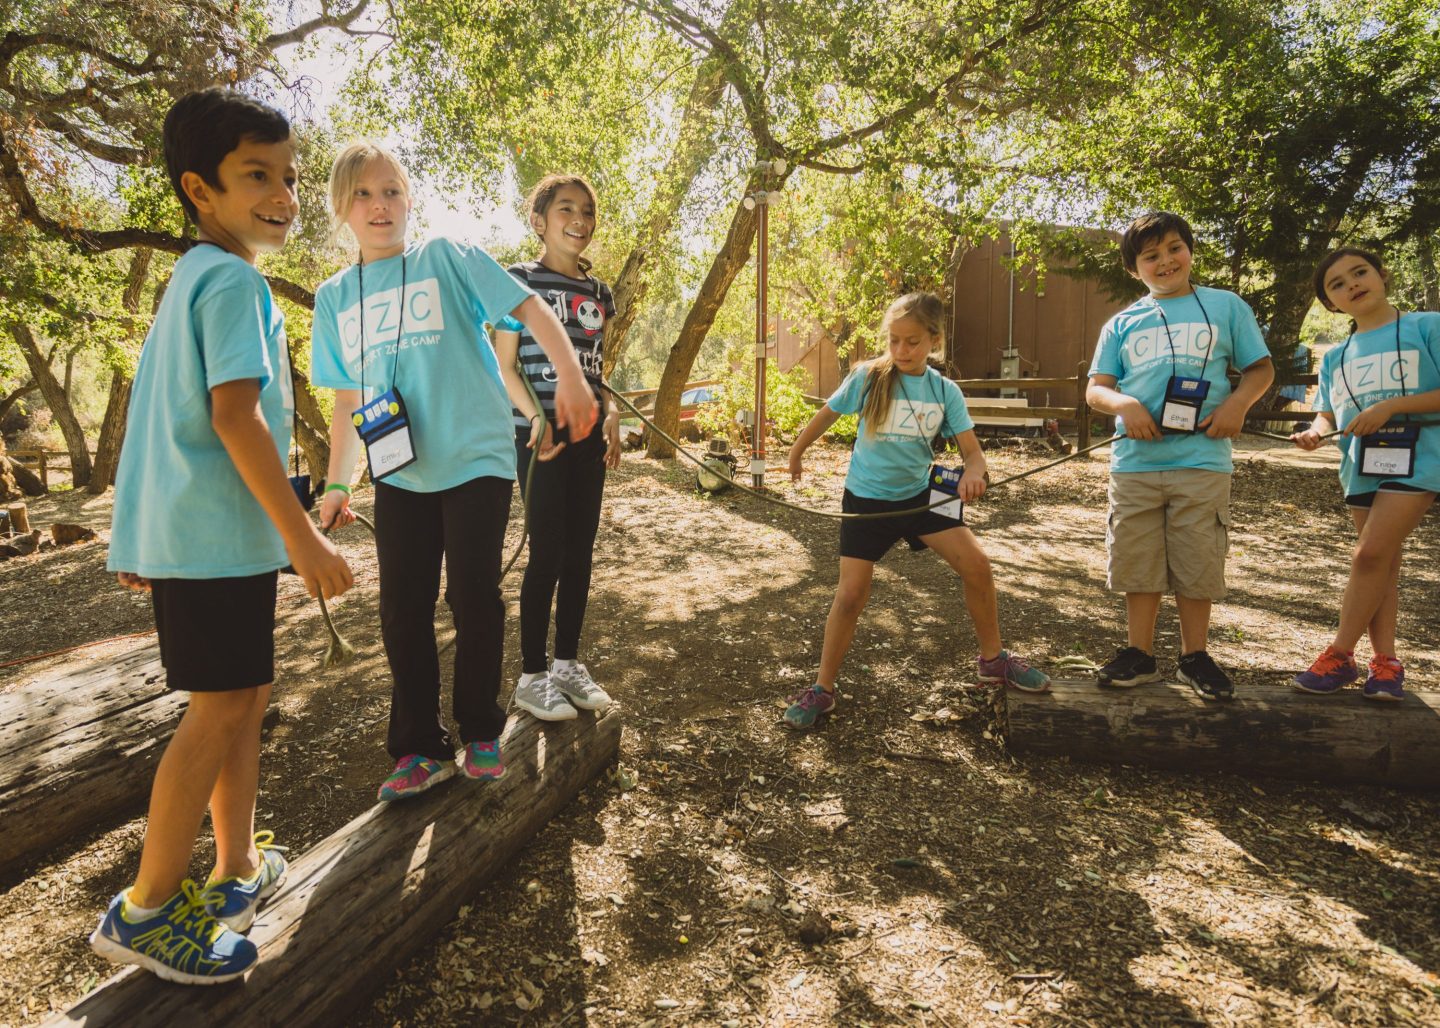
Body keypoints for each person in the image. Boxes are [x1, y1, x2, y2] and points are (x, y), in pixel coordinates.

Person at [93, 88, 353, 984]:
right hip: (216, 541)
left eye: (288, 175)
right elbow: (233, 418)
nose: (281, 192)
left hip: (207, 542)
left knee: (246, 697)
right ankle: (146, 909)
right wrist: (306, 542)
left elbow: (159, 424)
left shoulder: (194, 278)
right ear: (199, 190)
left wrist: (136, 534)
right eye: (256, 176)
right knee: (218, 711)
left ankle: (236, 866)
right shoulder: (234, 281)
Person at [311, 142, 596, 801]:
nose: (379, 205)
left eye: (391, 191)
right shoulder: (333, 297)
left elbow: (528, 309)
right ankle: (419, 748)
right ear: (341, 209)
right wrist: (335, 483)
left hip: (475, 458)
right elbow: (348, 400)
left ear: (409, 199)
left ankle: (481, 730)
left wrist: (573, 379)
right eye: (363, 194)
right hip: (399, 472)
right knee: (401, 609)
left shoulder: (445, 256)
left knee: (473, 595)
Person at [782, 291, 1050, 729]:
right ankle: (822, 689)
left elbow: (973, 454)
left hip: (921, 497)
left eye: (912, 342)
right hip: (867, 501)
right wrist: (796, 453)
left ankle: (992, 661)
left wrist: (973, 473)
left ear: (934, 341)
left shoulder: (945, 391)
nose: (902, 351)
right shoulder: (869, 378)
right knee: (850, 595)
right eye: (895, 341)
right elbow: (828, 414)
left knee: (978, 566)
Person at [1086, 211, 1274, 700]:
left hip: (1202, 461)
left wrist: (1237, 404)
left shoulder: (1226, 306)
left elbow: (1260, 369)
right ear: (1135, 269)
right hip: (1135, 465)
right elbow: (1096, 390)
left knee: (1197, 559)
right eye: (1151, 256)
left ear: (1190, 250)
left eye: (1174, 248)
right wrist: (1125, 405)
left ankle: (1195, 657)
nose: (1165, 261)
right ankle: (1139, 653)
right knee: (1138, 559)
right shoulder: (1122, 323)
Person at [493, 175, 620, 721]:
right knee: (546, 552)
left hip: (588, 437)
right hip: (538, 438)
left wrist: (611, 412)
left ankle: (568, 662)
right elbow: (504, 368)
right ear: (539, 221)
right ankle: (532, 674)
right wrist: (534, 419)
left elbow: (598, 371)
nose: (580, 219)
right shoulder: (515, 282)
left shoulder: (600, 294)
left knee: (579, 553)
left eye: (588, 211)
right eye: (567, 209)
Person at [1290, 247, 1440, 700]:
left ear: (1382, 274)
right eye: (1337, 284)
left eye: (1360, 272)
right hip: (1361, 466)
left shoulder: (1426, 326)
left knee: (1368, 556)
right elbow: (1326, 415)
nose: (1352, 283)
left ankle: (1339, 654)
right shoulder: (1336, 356)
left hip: (1419, 461)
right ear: (1331, 303)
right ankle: (1385, 665)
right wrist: (1313, 433)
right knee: (1382, 565)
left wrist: (1391, 406)